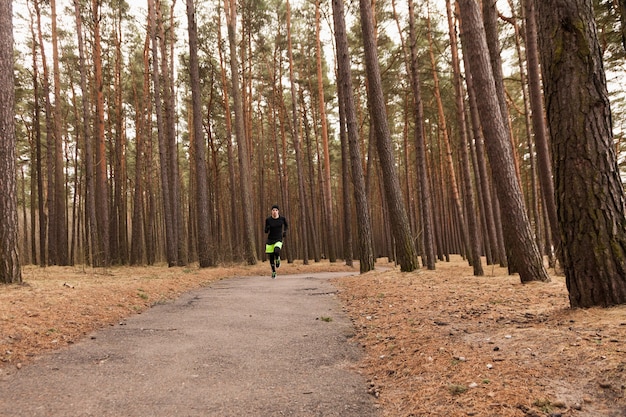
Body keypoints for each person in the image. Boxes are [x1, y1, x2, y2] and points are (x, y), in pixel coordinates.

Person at [265, 204, 288, 279]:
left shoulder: (282, 219)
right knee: (271, 256)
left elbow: (286, 226)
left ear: (278, 211)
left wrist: (285, 231)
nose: (274, 212)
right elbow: (265, 231)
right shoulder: (268, 220)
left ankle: (278, 259)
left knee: (276, 251)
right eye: (273, 210)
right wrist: (267, 228)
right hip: (270, 239)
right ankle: (273, 271)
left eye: (276, 210)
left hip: (278, 238)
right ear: (271, 211)